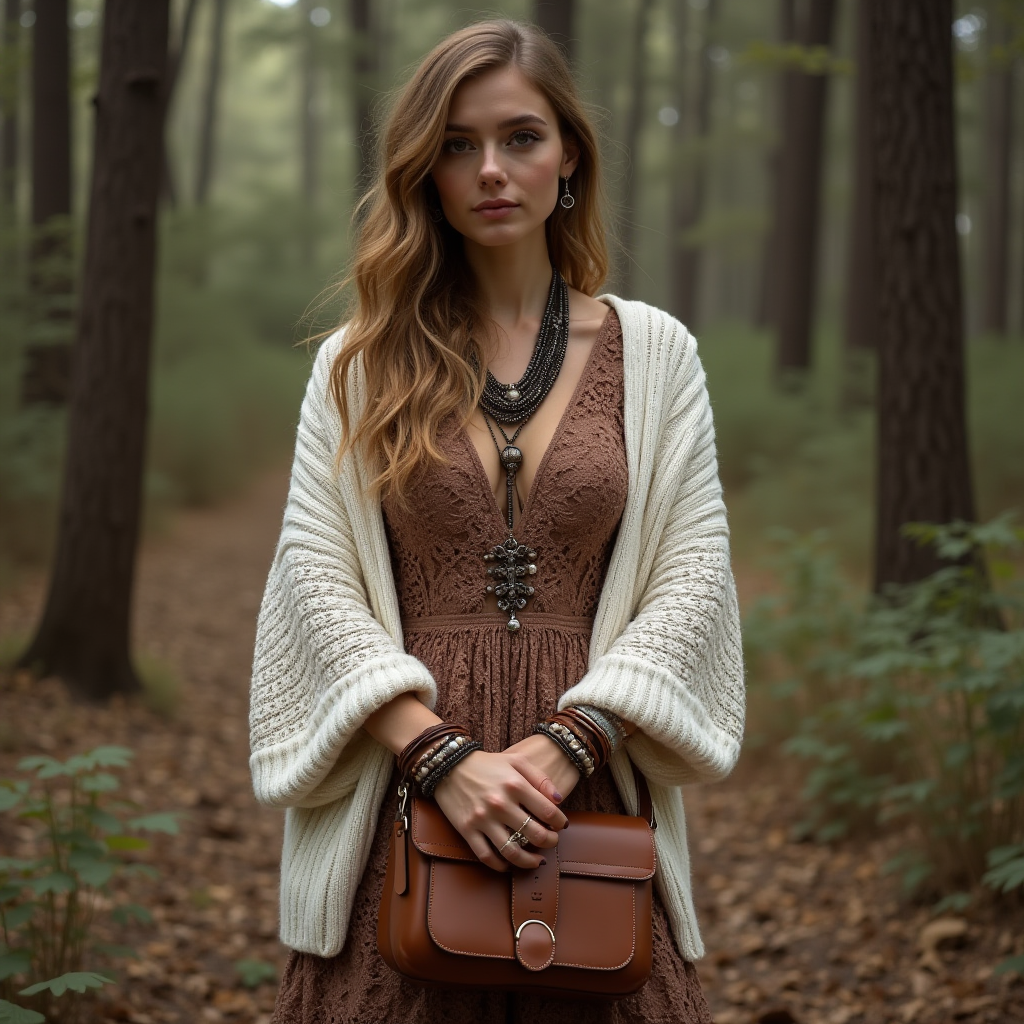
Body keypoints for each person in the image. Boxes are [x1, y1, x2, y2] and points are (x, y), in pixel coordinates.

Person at [249, 18, 744, 1024]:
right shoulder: (359, 361)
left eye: (520, 137)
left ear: (569, 156)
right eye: (458, 145)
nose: (491, 169)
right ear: (424, 172)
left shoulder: (656, 353)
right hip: (407, 797)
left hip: (588, 792)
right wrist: (437, 755)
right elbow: (313, 574)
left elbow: (692, 576)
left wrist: (576, 738)